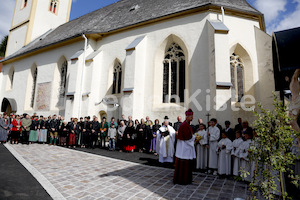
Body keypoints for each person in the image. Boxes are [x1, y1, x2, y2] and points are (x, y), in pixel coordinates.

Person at [173, 109, 196, 185]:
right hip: (184, 148)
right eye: (191, 116)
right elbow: (187, 138)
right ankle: (183, 180)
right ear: (187, 117)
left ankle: (185, 179)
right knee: (184, 164)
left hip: (184, 148)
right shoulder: (185, 125)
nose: (192, 118)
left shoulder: (186, 124)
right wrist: (194, 138)